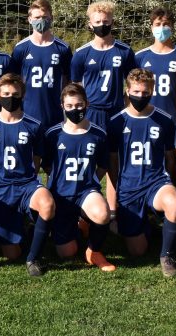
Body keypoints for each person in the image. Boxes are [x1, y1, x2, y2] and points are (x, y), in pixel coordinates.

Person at [106, 69, 176, 277]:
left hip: (156, 182)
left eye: (145, 92)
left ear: (152, 91)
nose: (140, 96)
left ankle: (167, 255)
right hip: (129, 188)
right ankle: (149, 225)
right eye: (136, 92)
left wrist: (175, 187)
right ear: (128, 90)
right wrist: (113, 209)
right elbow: (112, 167)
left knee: (174, 203)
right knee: (137, 251)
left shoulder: (164, 119)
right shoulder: (116, 122)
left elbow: (170, 159)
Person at [0, 73, 55, 277]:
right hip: (2, 189)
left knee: (47, 204)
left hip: (27, 184)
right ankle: (28, 227)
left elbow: (36, 160)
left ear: (22, 95)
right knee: (11, 254)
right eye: (6, 94)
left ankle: (33, 258)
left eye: (15, 94)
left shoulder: (34, 125)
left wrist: (31, 180)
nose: (10, 98)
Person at [42, 82, 114, 271]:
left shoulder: (98, 133)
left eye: (79, 105)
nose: (75, 109)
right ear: (62, 107)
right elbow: (47, 165)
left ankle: (94, 251)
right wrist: (60, 180)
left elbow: (103, 166)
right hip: (61, 194)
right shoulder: (53, 134)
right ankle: (79, 227)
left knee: (102, 213)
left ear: (87, 104)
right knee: (67, 253)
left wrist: (91, 181)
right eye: (70, 106)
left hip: (85, 192)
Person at [70, 0, 136, 130]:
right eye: (98, 22)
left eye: (105, 22)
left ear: (112, 22)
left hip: (116, 110)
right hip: (91, 110)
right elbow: (76, 84)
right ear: (90, 24)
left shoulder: (125, 51)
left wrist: (126, 104)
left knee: (116, 143)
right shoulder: (81, 53)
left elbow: (133, 82)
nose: (102, 25)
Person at [10, 0, 73, 131]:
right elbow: (13, 81)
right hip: (27, 114)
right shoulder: (20, 48)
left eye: (45, 17)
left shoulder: (63, 48)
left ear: (51, 18)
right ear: (29, 19)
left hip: (55, 113)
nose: (41, 20)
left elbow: (69, 80)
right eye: (37, 17)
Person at [134, 8, 176, 125]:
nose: (162, 28)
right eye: (158, 24)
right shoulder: (140, 56)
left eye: (166, 24)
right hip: (146, 118)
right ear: (151, 28)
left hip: (173, 118)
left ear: (172, 27)